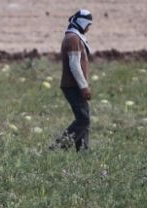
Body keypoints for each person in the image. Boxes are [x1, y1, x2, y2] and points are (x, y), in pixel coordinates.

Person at [58, 8, 94, 151]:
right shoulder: (73, 39)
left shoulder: (73, 37)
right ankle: (59, 148)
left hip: (75, 85)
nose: (89, 29)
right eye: (88, 25)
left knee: (84, 119)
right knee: (83, 119)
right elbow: (74, 65)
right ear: (83, 23)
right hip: (73, 85)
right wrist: (84, 86)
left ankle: (83, 151)